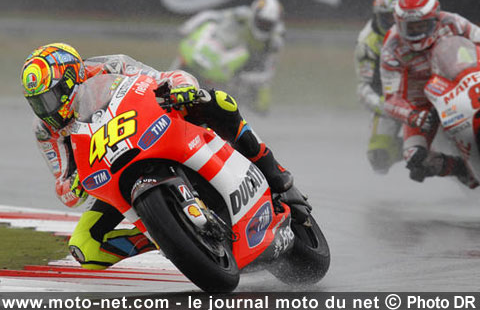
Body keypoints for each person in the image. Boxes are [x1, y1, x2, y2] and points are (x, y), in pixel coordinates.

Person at [21, 43, 294, 269]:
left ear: (70, 81)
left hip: (153, 129)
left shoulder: (110, 66)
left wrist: (182, 86)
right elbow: (63, 187)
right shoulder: (45, 130)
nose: (45, 110)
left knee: (218, 101)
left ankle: (271, 167)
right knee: (84, 247)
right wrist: (76, 183)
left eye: (49, 98)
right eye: (37, 103)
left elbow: (163, 77)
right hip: (111, 172)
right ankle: (165, 237)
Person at [380, 0, 480, 186]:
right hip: (420, 104)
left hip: (458, 81)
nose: (417, 32)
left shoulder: (452, 22)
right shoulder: (391, 48)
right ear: (399, 25)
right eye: (410, 28)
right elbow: (390, 100)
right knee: (414, 157)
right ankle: (461, 169)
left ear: (435, 19)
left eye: (422, 26)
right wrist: (413, 115)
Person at [172, 0, 285, 114]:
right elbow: (211, 16)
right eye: (261, 21)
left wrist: (245, 78)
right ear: (254, 15)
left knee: (261, 105)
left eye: (268, 24)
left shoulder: (275, 40)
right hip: (228, 57)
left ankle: (230, 115)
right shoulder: (241, 15)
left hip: (249, 71)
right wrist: (187, 27)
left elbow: (268, 72)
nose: (263, 26)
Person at [354, 0, 411, 174]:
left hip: (429, 89)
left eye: (399, 18)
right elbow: (364, 89)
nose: (394, 26)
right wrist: (390, 108)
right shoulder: (366, 43)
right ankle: (418, 151)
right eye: (388, 18)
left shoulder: (429, 26)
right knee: (378, 157)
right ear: (377, 16)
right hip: (390, 97)